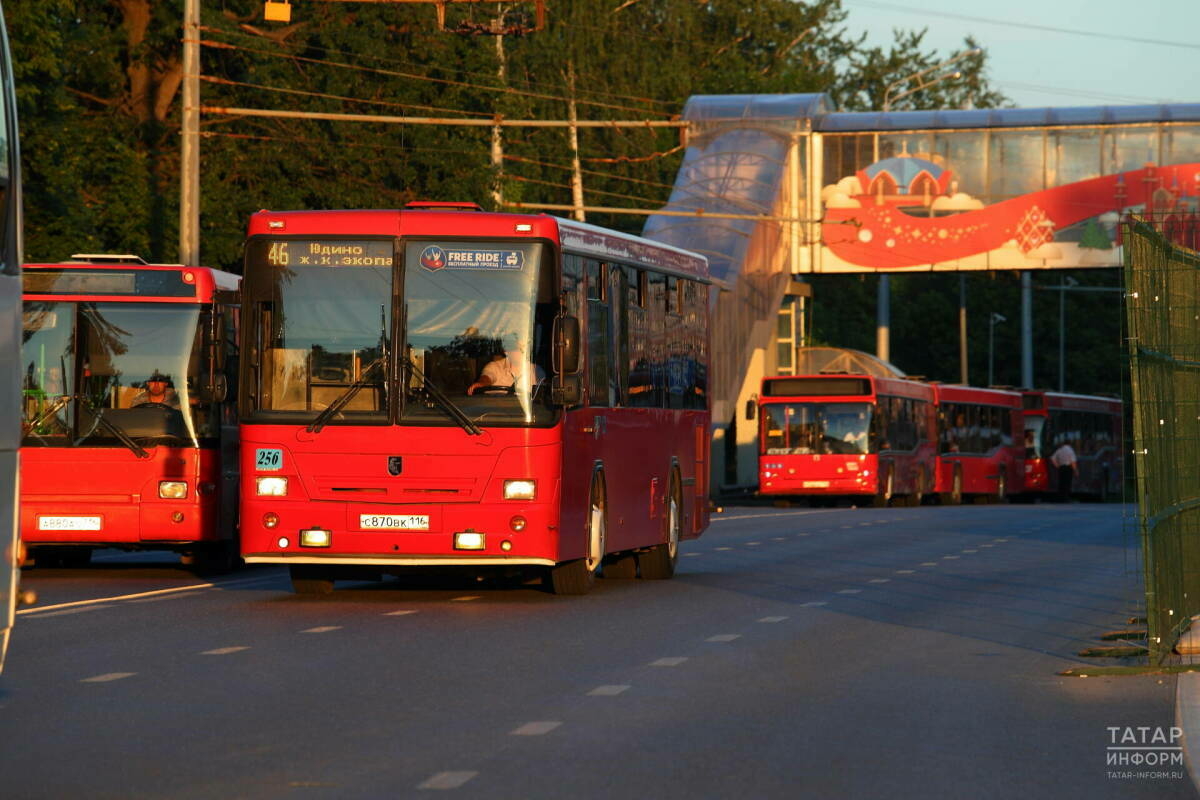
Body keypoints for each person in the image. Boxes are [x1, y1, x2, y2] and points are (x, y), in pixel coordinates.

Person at [467, 336, 540, 395]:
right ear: (507, 351)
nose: (523, 352)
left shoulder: (536, 370)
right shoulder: (494, 367)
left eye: (525, 348)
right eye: (519, 348)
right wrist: (481, 384)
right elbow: (488, 377)